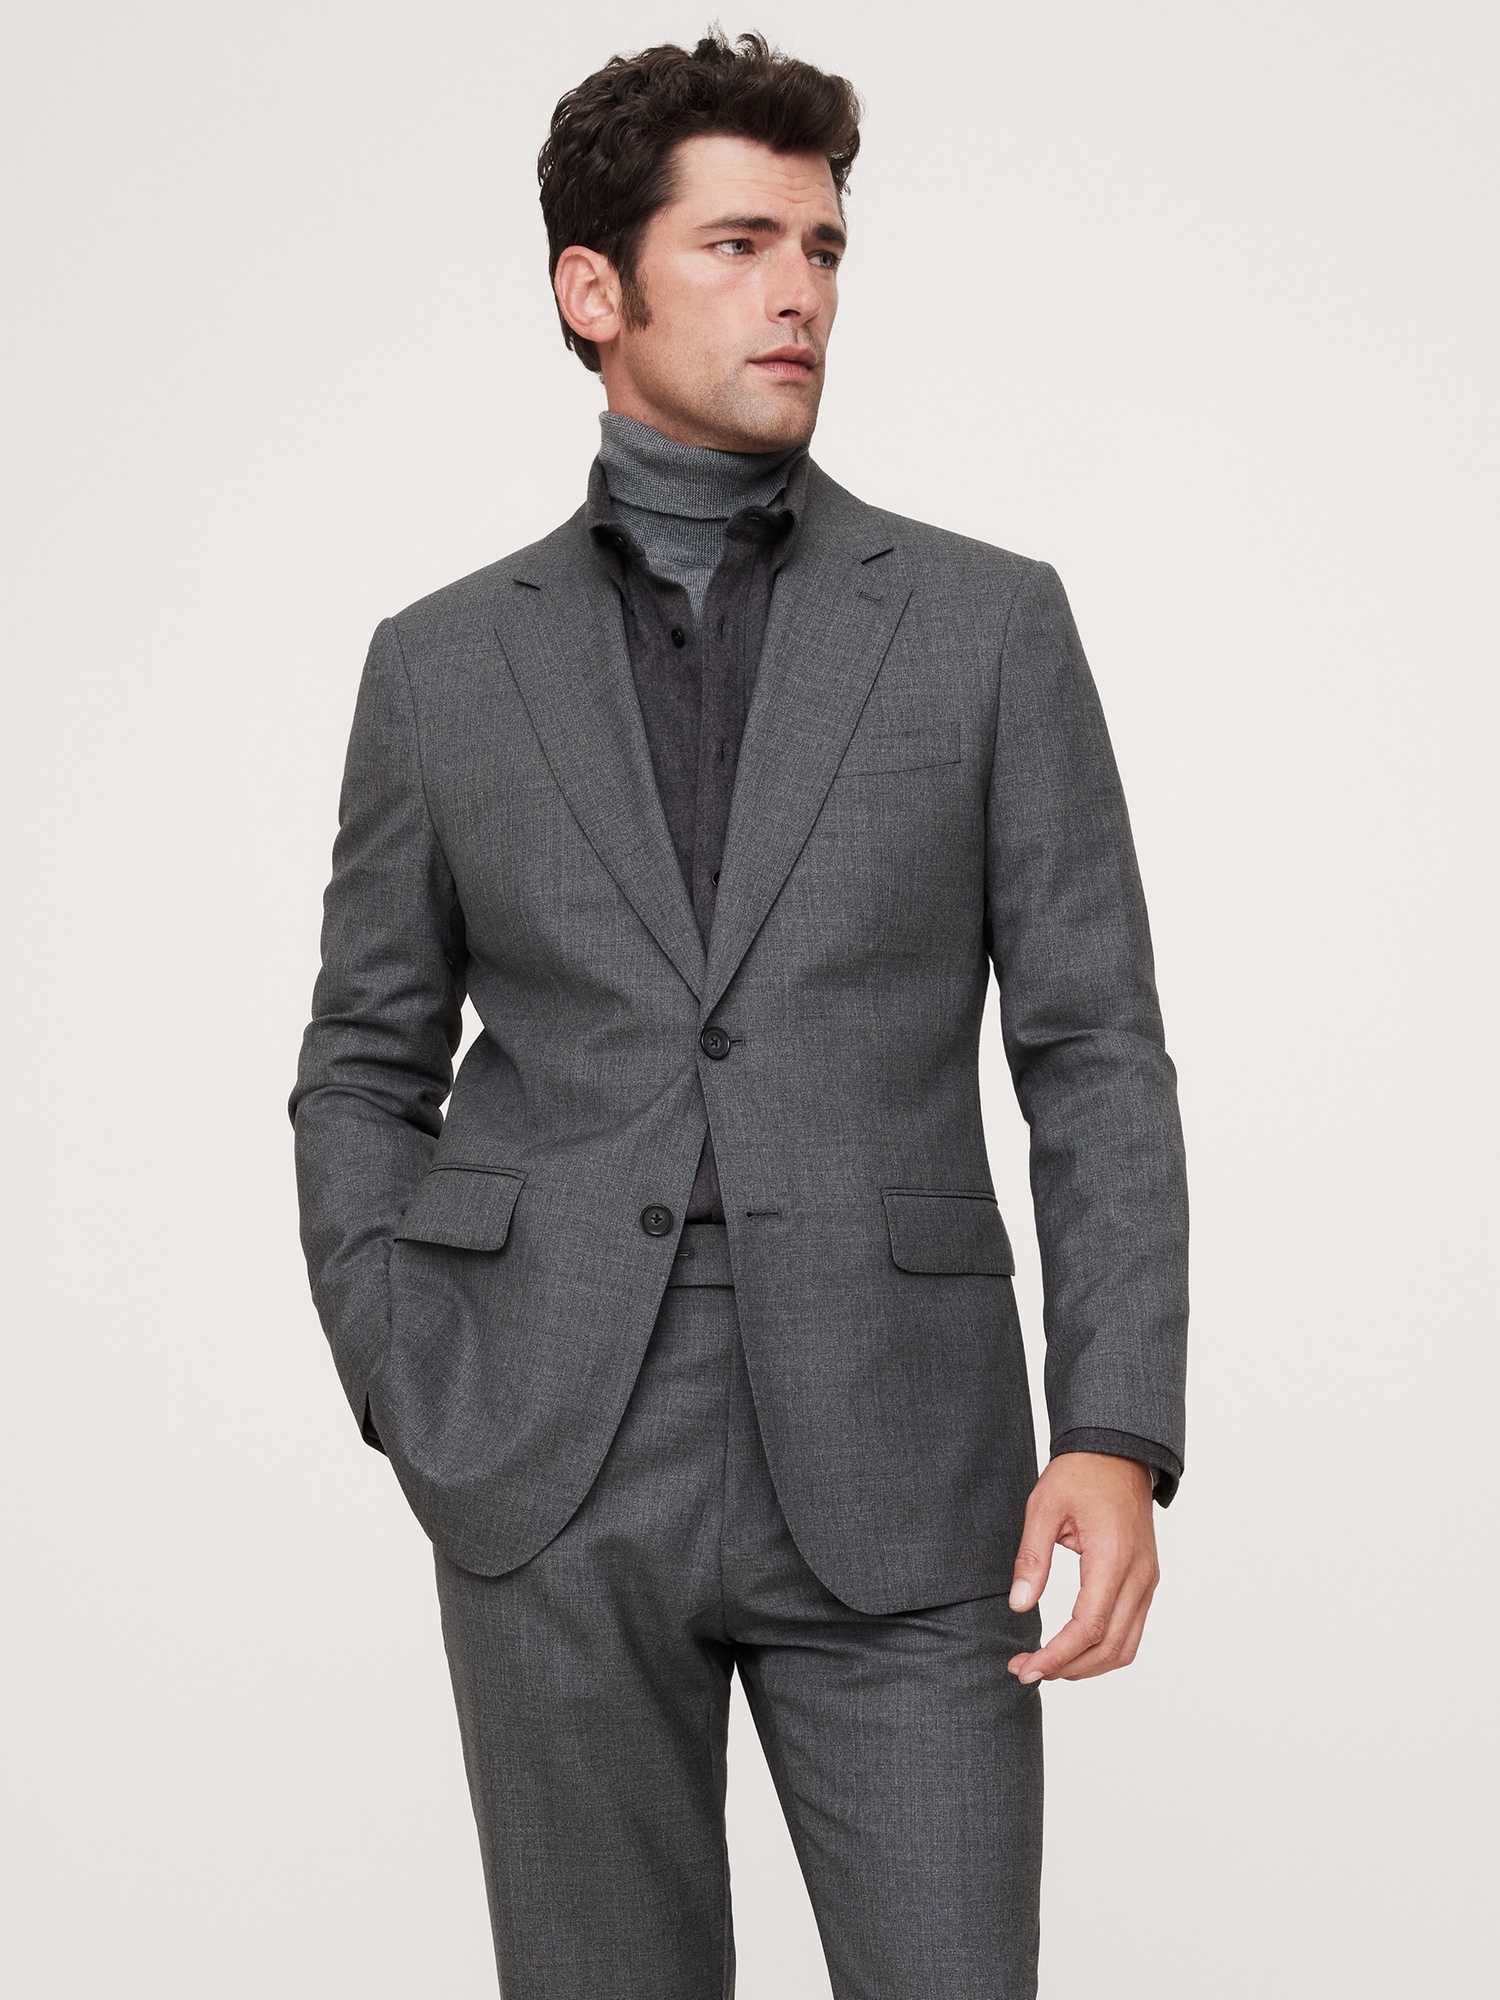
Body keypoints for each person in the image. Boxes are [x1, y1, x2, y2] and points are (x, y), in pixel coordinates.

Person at [291, 30, 1188, 1999]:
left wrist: (1117, 1426)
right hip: (546, 1443)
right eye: (739, 244)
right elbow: (362, 1057)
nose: (801, 292)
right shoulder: (441, 666)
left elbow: (1093, 1046)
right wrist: (405, 1363)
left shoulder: (985, 623)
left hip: (910, 1445)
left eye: (825, 247)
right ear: (592, 290)